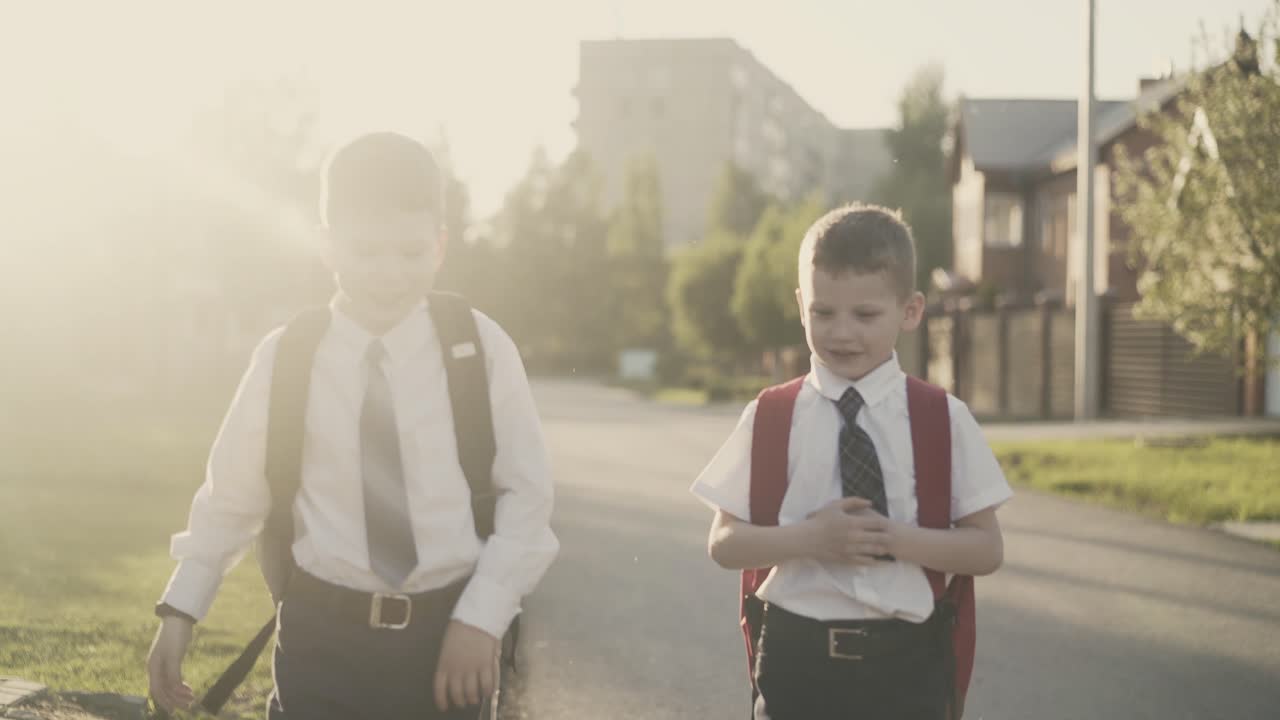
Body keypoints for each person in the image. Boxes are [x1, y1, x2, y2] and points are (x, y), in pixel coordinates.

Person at [145, 131, 558, 719]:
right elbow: (230, 498)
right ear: (328, 247)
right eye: (366, 252)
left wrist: (482, 617)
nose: (390, 273)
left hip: (450, 637)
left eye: (411, 253)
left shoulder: (477, 348)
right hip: (320, 641)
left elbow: (528, 494)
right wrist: (181, 611)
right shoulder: (288, 357)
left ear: (440, 246)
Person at [691, 204, 1011, 720]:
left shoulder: (942, 418)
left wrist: (893, 539)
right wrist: (811, 540)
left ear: (910, 311)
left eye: (865, 315)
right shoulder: (771, 415)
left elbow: (987, 548)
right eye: (823, 313)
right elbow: (724, 544)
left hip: (909, 661)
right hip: (796, 657)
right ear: (801, 306)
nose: (842, 333)